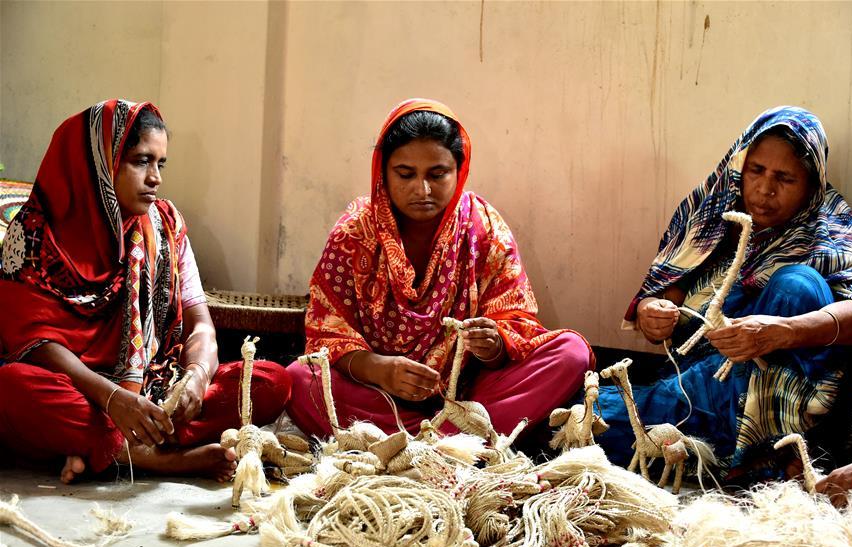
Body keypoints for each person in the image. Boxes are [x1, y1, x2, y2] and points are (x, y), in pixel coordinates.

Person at [594, 106, 852, 479]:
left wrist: (783, 331)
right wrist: (653, 314)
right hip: (701, 386)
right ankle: (733, 455)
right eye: (756, 171)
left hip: (778, 393)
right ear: (740, 166)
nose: (766, 189)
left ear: (811, 184)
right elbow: (664, 295)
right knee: (591, 421)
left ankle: (751, 448)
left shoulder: (828, 231)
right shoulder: (710, 218)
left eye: (785, 178)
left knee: (796, 286)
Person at [0, 99, 290, 484]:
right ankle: (158, 458)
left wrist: (197, 377)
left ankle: (108, 449)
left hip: (152, 387)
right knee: (10, 388)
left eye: (160, 163)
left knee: (272, 380)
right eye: (140, 161)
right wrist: (112, 398)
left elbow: (200, 323)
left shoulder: (164, 226)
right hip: (81, 391)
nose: (155, 177)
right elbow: (33, 342)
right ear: (100, 163)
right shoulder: (35, 233)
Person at [286, 99, 592, 441]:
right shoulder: (356, 231)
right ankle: (454, 446)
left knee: (571, 352)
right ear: (383, 171)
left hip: (470, 399)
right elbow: (327, 330)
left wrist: (494, 344)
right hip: (380, 397)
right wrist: (378, 369)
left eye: (437, 174)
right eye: (405, 174)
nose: (422, 190)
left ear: (459, 171)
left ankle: (433, 445)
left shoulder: (483, 227)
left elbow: (516, 319)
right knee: (301, 379)